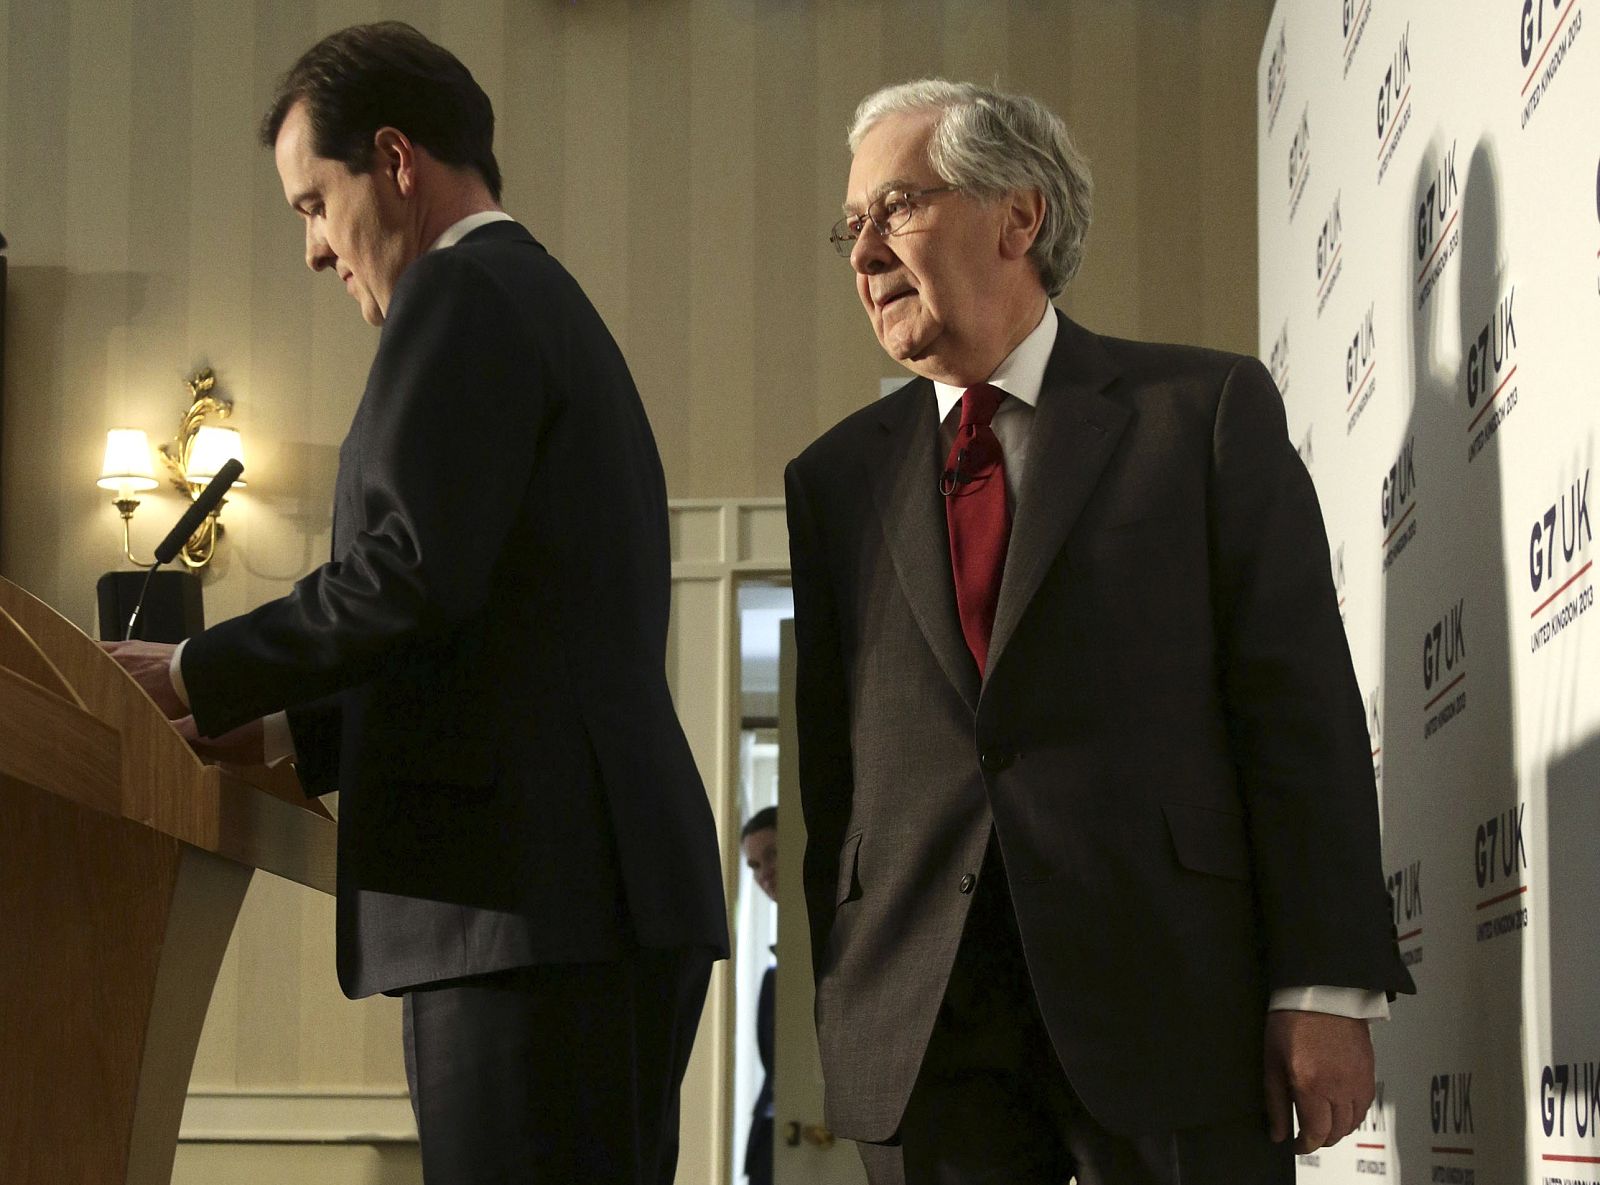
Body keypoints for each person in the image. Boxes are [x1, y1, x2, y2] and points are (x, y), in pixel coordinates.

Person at [103, 22, 726, 1183]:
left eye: (309, 204)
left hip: (525, 909)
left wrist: (192, 675)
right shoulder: (535, 301)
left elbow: (405, 575)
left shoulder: (461, 292)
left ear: (394, 161)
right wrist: (292, 729)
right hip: (582, 900)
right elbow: (495, 623)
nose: (312, 251)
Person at [784, 79, 1414, 1185]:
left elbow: (1296, 712)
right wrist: (846, 993)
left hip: (1173, 1008)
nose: (863, 252)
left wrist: (1318, 988)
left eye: (896, 209)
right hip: (927, 1031)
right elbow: (834, 774)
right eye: (850, 226)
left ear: (1017, 217)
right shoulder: (834, 480)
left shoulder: (1202, 414)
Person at [740, 806, 779, 1185]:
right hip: (768, 1139)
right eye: (753, 865)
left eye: (772, 854)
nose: (763, 873)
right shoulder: (773, 978)